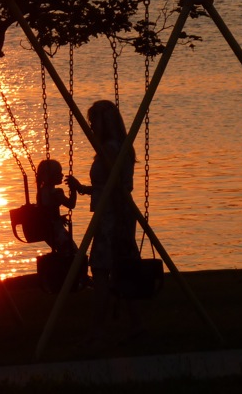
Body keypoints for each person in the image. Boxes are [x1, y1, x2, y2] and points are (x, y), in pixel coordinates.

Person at [66, 99, 142, 343]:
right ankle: (135, 325)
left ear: (105, 122)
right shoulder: (119, 146)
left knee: (101, 272)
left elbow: (116, 188)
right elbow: (108, 185)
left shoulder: (109, 149)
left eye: (93, 121)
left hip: (111, 216)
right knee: (125, 270)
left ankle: (97, 330)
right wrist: (85, 190)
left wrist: (117, 219)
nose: (90, 126)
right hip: (116, 212)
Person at [35, 158, 77, 255]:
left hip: (47, 231)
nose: (62, 175)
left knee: (62, 252)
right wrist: (73, 188)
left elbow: (47, 211)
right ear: (49, 176)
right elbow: (71, 204)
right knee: (73, 252)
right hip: (57, 231)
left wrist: (58, 218)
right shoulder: (56, 193)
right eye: (58, 173)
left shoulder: (41, 192)